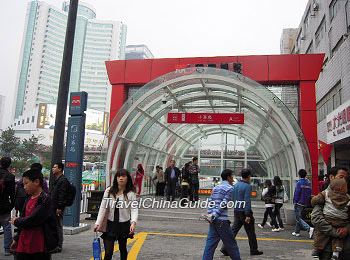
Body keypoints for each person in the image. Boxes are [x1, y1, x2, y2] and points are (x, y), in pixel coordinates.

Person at [9, 169, 58, 260]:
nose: (24, 187)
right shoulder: (28, 198)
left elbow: (34, 219)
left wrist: (16, 221)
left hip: (38, 244)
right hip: (24, 243)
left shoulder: (45, 199)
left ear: (36, 182)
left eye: (26, 183)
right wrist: (17, 239)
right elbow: (23, 216)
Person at [94, 169, 138, 260]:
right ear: (116, 178)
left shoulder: (131, 193)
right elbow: (103, 207)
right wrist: (98, 223)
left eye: (123, 176)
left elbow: (134, 209)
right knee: (108, 252)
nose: (121, 178)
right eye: (119, 176)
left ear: (127, 178)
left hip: (124, 224)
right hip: (110, 224)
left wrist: (133, 223)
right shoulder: (109, 191)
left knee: (122, 249)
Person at [221, 168, 263, 256]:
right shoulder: (247, 187)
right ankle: (253, 249)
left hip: (237, 210)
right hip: (244, 211)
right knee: (250, 231)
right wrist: (248, 214)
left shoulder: (236, 185)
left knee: (233, 230)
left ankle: (225, 248)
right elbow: (247, 201)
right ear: (249, 176)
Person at [311, 167, 350, 260]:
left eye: (346, 178)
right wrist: (336, 233)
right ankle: (318, 249)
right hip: (326, 249)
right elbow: (316, 219)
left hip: (346, 248)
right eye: (341, 177)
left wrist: (347, 229)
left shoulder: (347, 196)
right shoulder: (324, 196)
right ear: (332, 177)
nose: (344, 180)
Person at [202, 169, 241, 260]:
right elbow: (223, 203)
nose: (232, 178)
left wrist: (210, 215)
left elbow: (211, 202)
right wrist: (215, 215)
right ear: (228, 177)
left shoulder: (216, 188)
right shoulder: (230, 188)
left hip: (213, 220)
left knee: (210, 245)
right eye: (232, 176)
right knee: (231, 244)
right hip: (222, 220)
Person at [49, 162, 68, 253]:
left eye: (55, 167)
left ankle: (58, 245)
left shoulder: (62, 180)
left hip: (58, 207)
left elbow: (62, 195)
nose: (53, 168)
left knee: (58, 225)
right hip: (54, 206)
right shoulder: (58, 180)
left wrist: (60, 207)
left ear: (60, 169)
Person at [292, 169, 314, 238]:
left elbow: (297, 193)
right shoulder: (308, 184)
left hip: (299, 202)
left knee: (298, 218)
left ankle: (309, 229)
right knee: (300, 217)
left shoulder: (299, 183)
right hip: (305, 203)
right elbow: (310, 193)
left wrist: (295, 201)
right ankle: (296, 231)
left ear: (299, 175)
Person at [0, 157, 15, 256]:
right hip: (4, 205)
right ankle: (7, 249)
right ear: (9, 165)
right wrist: (12, 205)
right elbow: (12, 193)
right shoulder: (10, 176)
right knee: (7, 227)